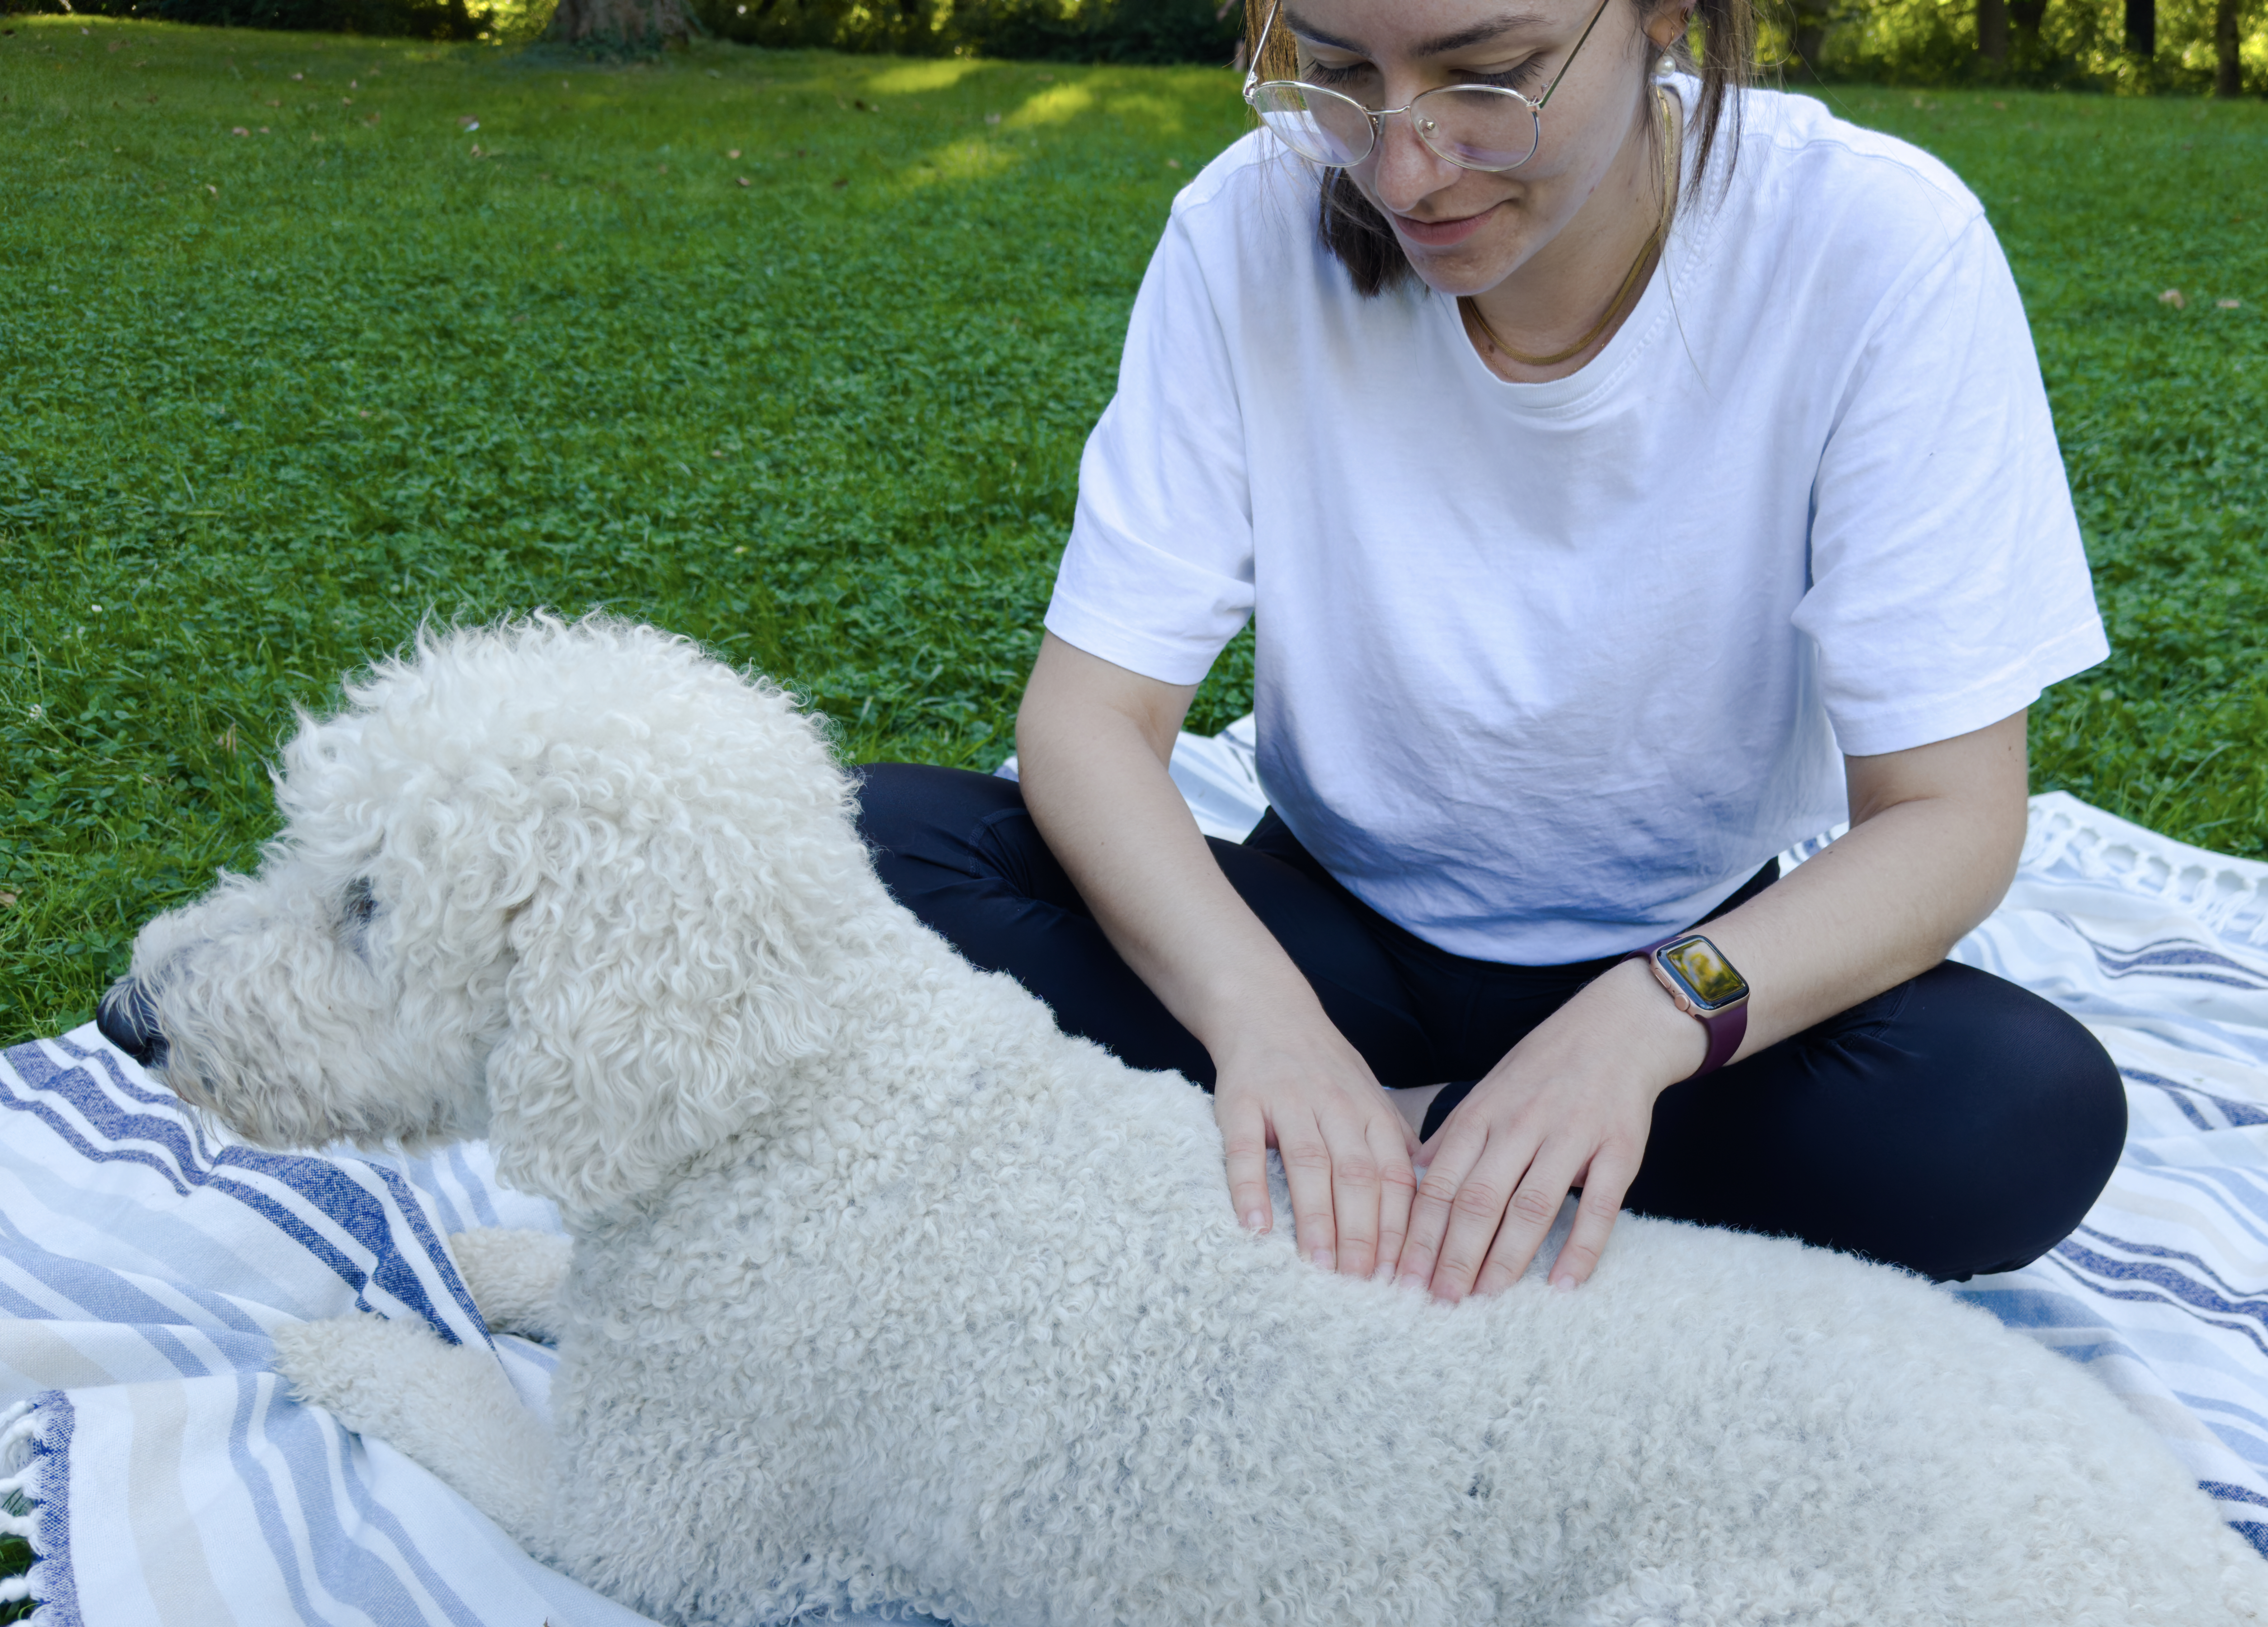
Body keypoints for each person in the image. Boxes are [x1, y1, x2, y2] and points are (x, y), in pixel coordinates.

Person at [857, 0, 2126, 1306]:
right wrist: (1266, 1026)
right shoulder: (1248, 225)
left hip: (1685, 973)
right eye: (1339, 76)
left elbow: (1950, 819)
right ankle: (1436, 1144)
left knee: (2020, 1112)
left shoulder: (1873, 247)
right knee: (872, 840)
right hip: (1328, 945)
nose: (1402, 167)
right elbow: (1086, 722)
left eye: (1492, 78)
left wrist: (1642, 1028)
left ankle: (1393, 1147)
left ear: (1665, 20)